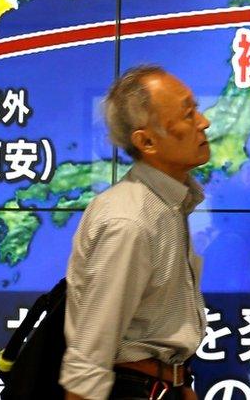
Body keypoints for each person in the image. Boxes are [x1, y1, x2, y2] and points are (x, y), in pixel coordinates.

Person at [60, 65, 210, 400]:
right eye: (188, 115)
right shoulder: (130, 220)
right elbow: (89, 356)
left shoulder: (167, 205)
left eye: (196, 108)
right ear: (147, 141)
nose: (203, 122)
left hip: (160, 386)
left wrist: (181, 385)